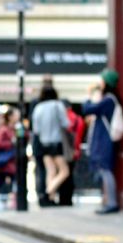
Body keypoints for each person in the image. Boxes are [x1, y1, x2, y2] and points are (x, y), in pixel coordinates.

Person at [84, 68, 122, 214]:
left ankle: (112, 203)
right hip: (103, 139)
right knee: (103, 170)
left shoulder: (108, 100)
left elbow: (88, 108)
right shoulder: (108, 99)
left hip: (105, 140)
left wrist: (89, 95)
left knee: (105, 170)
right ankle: (107, 201)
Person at [31, 86, 70, 204]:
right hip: (55, 143)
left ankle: (51, 199)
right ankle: (48, 192)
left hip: (43, 143)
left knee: (51, 171)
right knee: (64, 171)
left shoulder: (38, 107)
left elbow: (36, 129)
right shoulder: (57, 105)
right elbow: (66, 123)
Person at [29, 75, 54, 206]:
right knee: (46, 170)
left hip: (42, 142)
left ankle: (45, 196)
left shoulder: (37, 103)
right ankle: (45, 196)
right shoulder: (50, 104)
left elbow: (33, 126)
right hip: (47, 142)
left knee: (44, 170)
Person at [58, 100, 86, 206]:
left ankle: (63, 200)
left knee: (64, 175)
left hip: (65, 150)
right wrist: (76, 149)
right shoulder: (78, 119)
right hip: (73, 150)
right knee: (69, 175)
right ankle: (68, 199)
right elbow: (79, 136)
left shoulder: (65, 118)